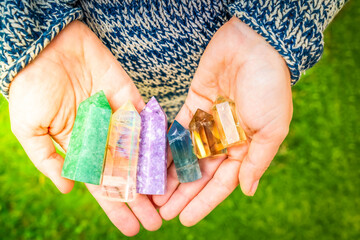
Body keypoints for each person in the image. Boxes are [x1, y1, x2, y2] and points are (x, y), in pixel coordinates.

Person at [0, 0, 348, 236]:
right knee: (163, 123)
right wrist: (26, 39)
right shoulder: (115, 109)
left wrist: (278, 23)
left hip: (210, 69)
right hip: (100, 59)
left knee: (179, 126)